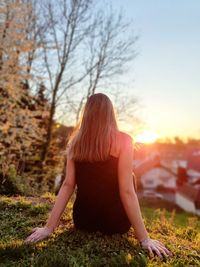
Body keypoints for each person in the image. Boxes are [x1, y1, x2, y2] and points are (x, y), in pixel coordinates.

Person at [25, 93, 172, 258]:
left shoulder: (75, 142)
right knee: (129, 178)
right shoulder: (124, 140)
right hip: (115, 225)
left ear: (86, 114)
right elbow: (127, 191)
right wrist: (144, 239)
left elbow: (68, 185)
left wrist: (48, 228)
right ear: (110, 114)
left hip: (83, 222)